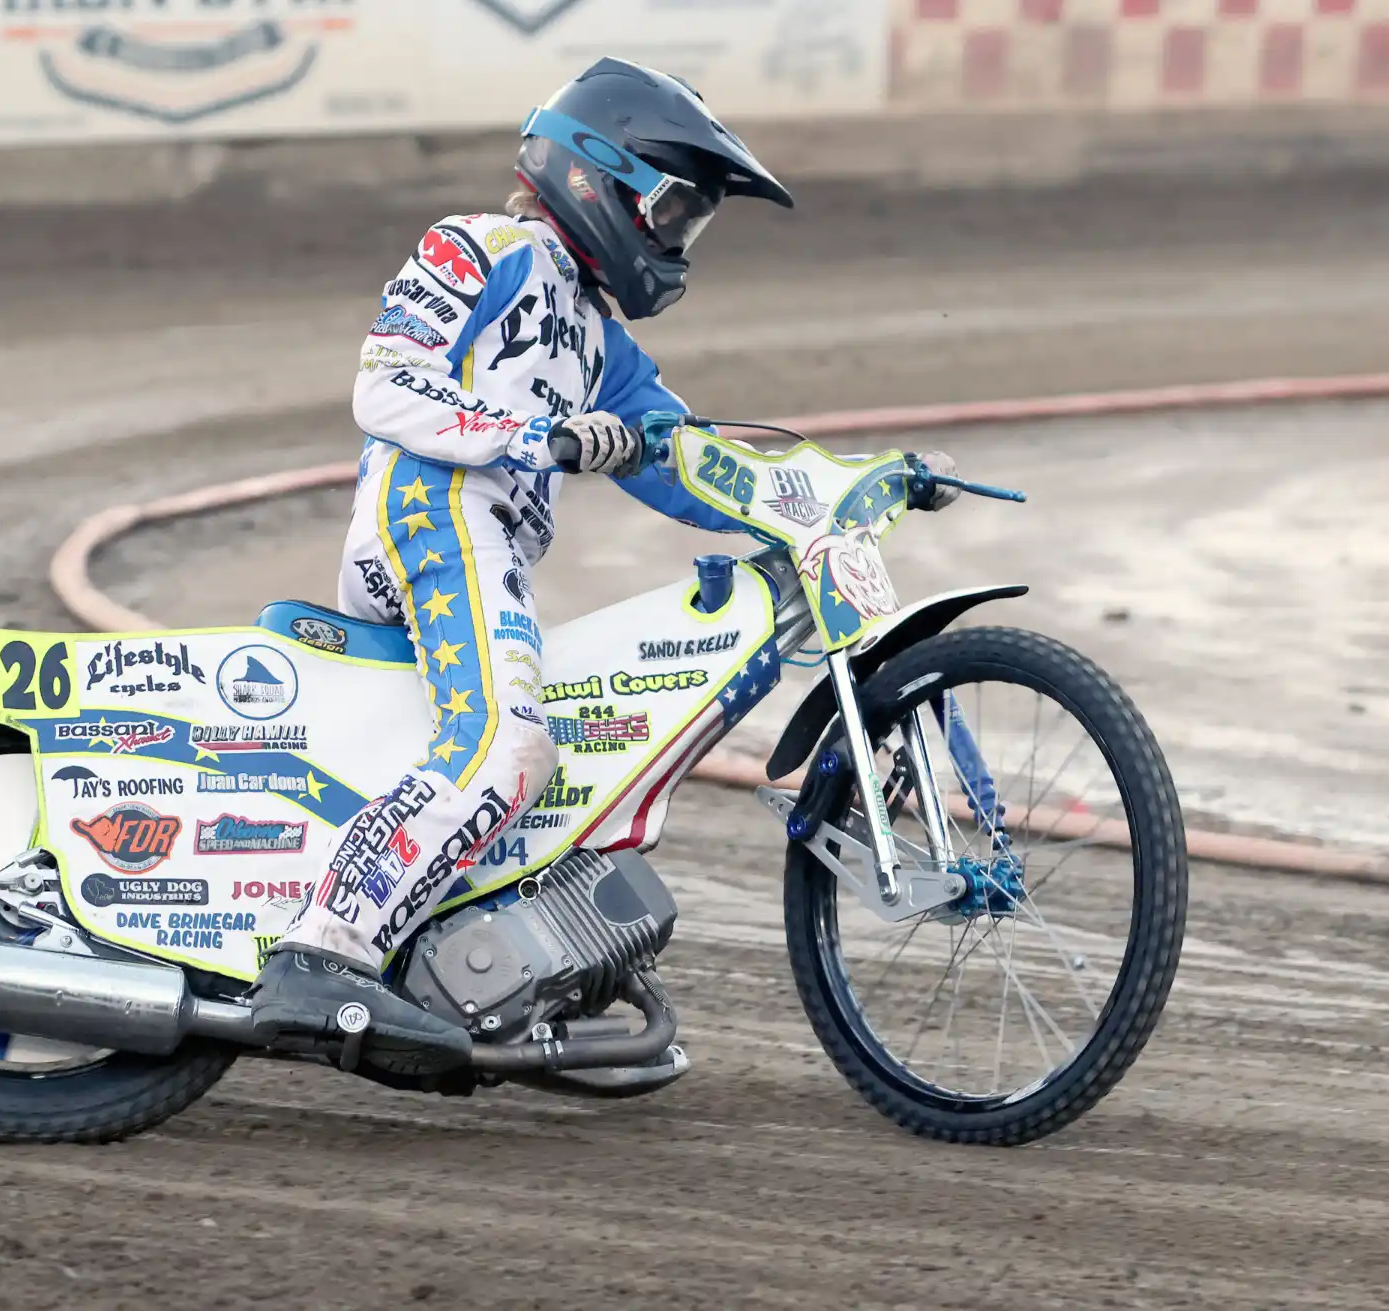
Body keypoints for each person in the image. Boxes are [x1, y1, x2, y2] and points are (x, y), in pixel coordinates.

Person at [249, 57, 949, 1073]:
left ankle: (476, 960)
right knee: (508, 747)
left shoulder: (597, 341)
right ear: (597, 176)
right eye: (672, 211)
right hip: (433, 510)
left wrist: (848, 487)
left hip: (484, 539)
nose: (677, 241)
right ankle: (324, 951)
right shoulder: (479, 247)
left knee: (558, 757)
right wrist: (538, 437)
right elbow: (386, 390)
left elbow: (690, 462)